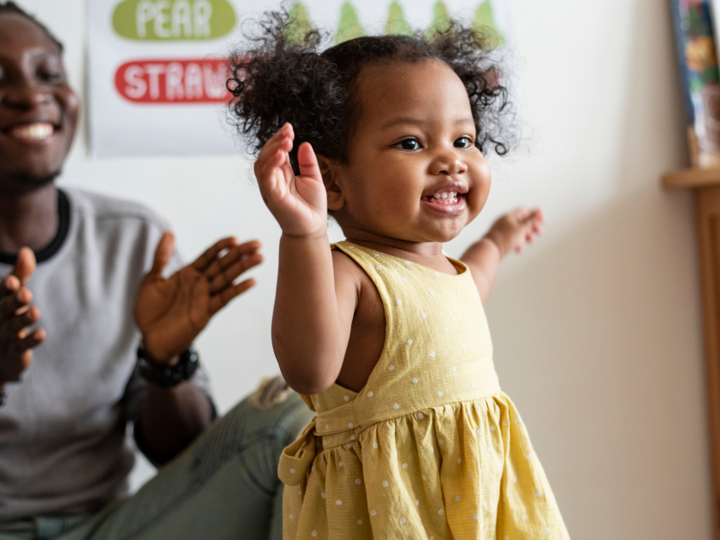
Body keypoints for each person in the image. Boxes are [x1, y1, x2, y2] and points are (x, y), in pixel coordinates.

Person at [228, 11, 571, 540]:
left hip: (477, 505)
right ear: (333, 180)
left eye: (463, 140)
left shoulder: (441, 267)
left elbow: (464, 295)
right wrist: (305, 235)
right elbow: (310, 368)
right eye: (412, 143)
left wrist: (496, 243)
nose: (451, 162)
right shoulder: (349, 271)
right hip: (394, 513)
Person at [0, 3, 313, 539]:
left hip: (110, 527)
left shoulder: (133, 238)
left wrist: (164, 361)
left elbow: (182, 453)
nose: (32, 95)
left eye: (48, 73)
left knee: (288, 419)